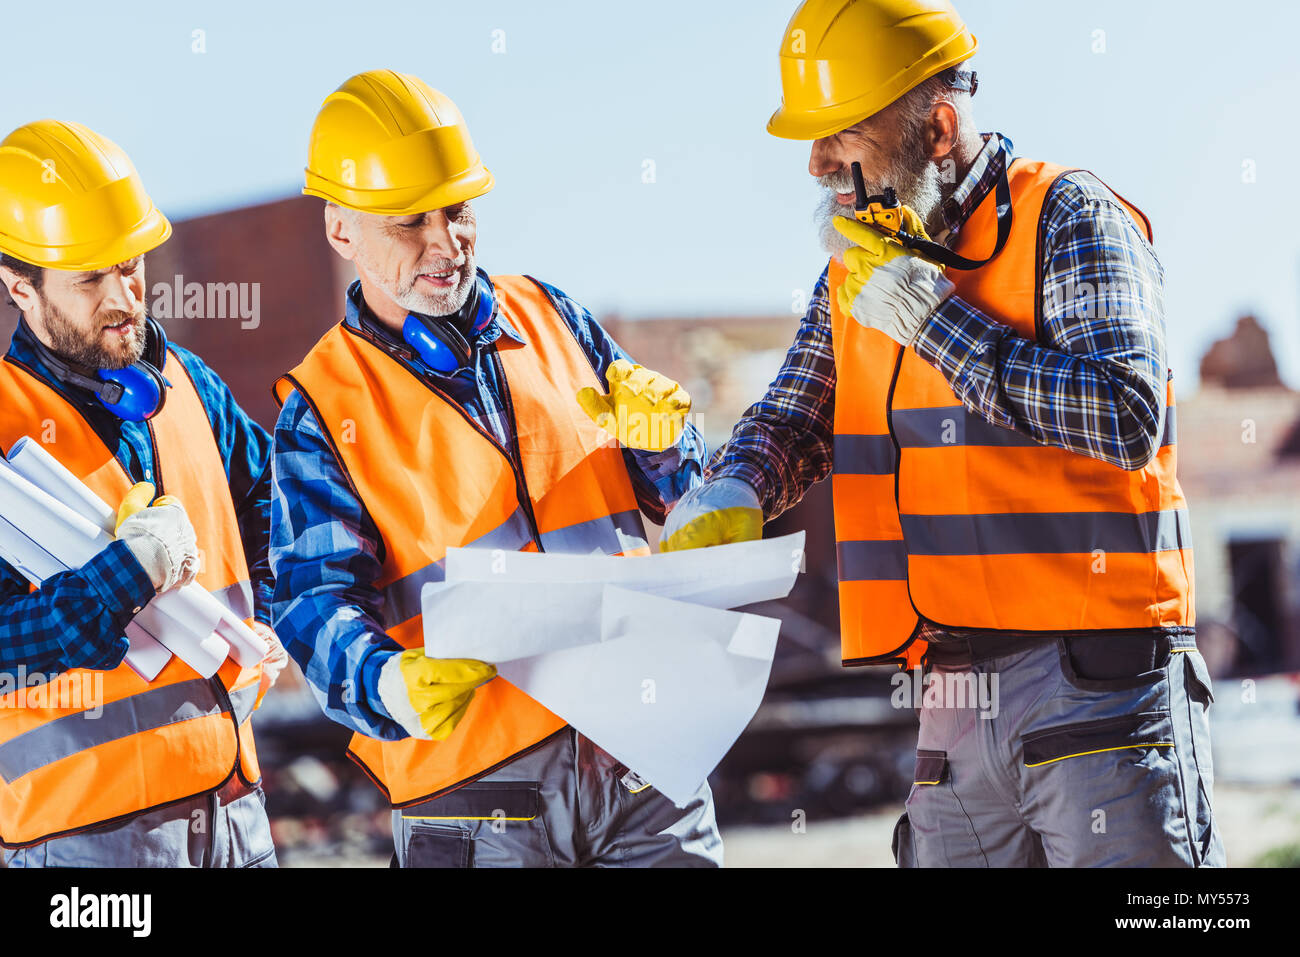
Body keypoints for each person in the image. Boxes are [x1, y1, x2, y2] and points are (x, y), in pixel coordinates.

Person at [663, 0, 1221, 867]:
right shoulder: (856, 270)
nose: (815, 166)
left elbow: (1125, 413)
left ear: (939, 127)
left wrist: (934, 322)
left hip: (1101, 686)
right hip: (953, 691)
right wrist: (736, 484)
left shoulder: (1068, 215)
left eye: (839, 136)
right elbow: (788, 418)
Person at [270, 70, 722, 867]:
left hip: (645, 754)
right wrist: (386, 683)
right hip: (480, 797)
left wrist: (669, 446)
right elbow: (311, 609)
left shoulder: (554, 317)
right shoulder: (322, 408)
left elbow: (682, 500)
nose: (446, 242)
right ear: (342, 229)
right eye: (409, 221)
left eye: (459, 209)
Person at [0, 119, 286, 867]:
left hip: (233, 814)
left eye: (132, 266)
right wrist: (126, 573)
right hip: (87, 844)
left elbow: (273, 513)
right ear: (19, 287)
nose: (125, 296)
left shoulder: (191, 389)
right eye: (90, 278)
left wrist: (285, 610)